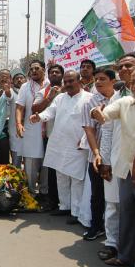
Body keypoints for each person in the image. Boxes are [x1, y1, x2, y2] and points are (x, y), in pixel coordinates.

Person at [90, 67, 135, 267]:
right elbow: (105, 115)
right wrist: (97, 113)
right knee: (127, 215)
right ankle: (125, 257)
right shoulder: (125, 103)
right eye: (134, 82)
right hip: (126, 170)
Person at [30, 71, 91, 224]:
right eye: (66, 81)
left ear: (79, 81)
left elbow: (91, 123)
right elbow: (50, 112)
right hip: (59, 143)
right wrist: (39, 117)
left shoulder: (88, 98)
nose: (68, 84)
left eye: (71, 81)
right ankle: (64, 206)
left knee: (76, 178)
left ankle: (76, 212)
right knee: (61, 176)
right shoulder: (60, 98)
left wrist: (84, 139)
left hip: (78, 146)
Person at [81, 68, 116, 241]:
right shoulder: (90, 101)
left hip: (118, 156)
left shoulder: (121, 100)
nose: (98, 82)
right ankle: (96, 226)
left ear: (113, 81)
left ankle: (116, 235)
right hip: (97, 158)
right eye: (96, 79)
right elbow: (89, 130)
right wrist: (96, 153)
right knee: (97, 194)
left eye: (102, 79)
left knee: (116, 197)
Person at [32, 64, 64, 211]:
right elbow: (36, 109)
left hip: (71, 139)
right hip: (51, 137)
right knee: (52, 170)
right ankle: (53, 201)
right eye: (52, 72)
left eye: (57, 72)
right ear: (48, 75)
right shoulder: (43, 91)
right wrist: (49, 97)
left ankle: (68, 205)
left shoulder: (72, 89)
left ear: (62, 75)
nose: (54, 74)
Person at [16, 60, 49, 196]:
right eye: (31, 69)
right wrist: (18, 123)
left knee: (47, 164)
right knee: (30, 164)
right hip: (31, 129)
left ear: (44, 69)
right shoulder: (25, 86)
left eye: (37, 68)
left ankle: (44, 192)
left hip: (49, 130)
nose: (34, 71)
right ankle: (31, 193)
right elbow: (19, 107)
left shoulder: (50, 84)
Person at [5, 70, 26, 168]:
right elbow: (9, 96)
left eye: (21, 78)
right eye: (16, 78)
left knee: (29, 161)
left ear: (25, 79)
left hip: (29, 130)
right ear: (13, 81)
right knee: (16, 162)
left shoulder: (30, 91)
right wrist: (8, 91)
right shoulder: (12, 92)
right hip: (15, 131)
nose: (19, 80)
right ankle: (17, 182)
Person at [0, 69, 12, 165]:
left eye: (7, 76)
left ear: (10, 79)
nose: (4, 78)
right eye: (2, 76)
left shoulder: (15, 92)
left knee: (7, 152)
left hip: (10, 124)